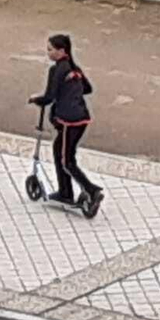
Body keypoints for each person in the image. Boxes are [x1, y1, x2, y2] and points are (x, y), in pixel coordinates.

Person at [30, 33, 103, 213]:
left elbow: (49, 97)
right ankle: (65, 192)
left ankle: (91, 190)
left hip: (70, 122)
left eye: (50, 49)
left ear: (61, 51)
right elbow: (87, 88)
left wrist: (36, 99)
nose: (48, 53)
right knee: (59, 150)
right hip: (81, 118)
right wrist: (71, 91)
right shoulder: (74, 68)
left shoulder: (56, 70)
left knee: (66, 160)